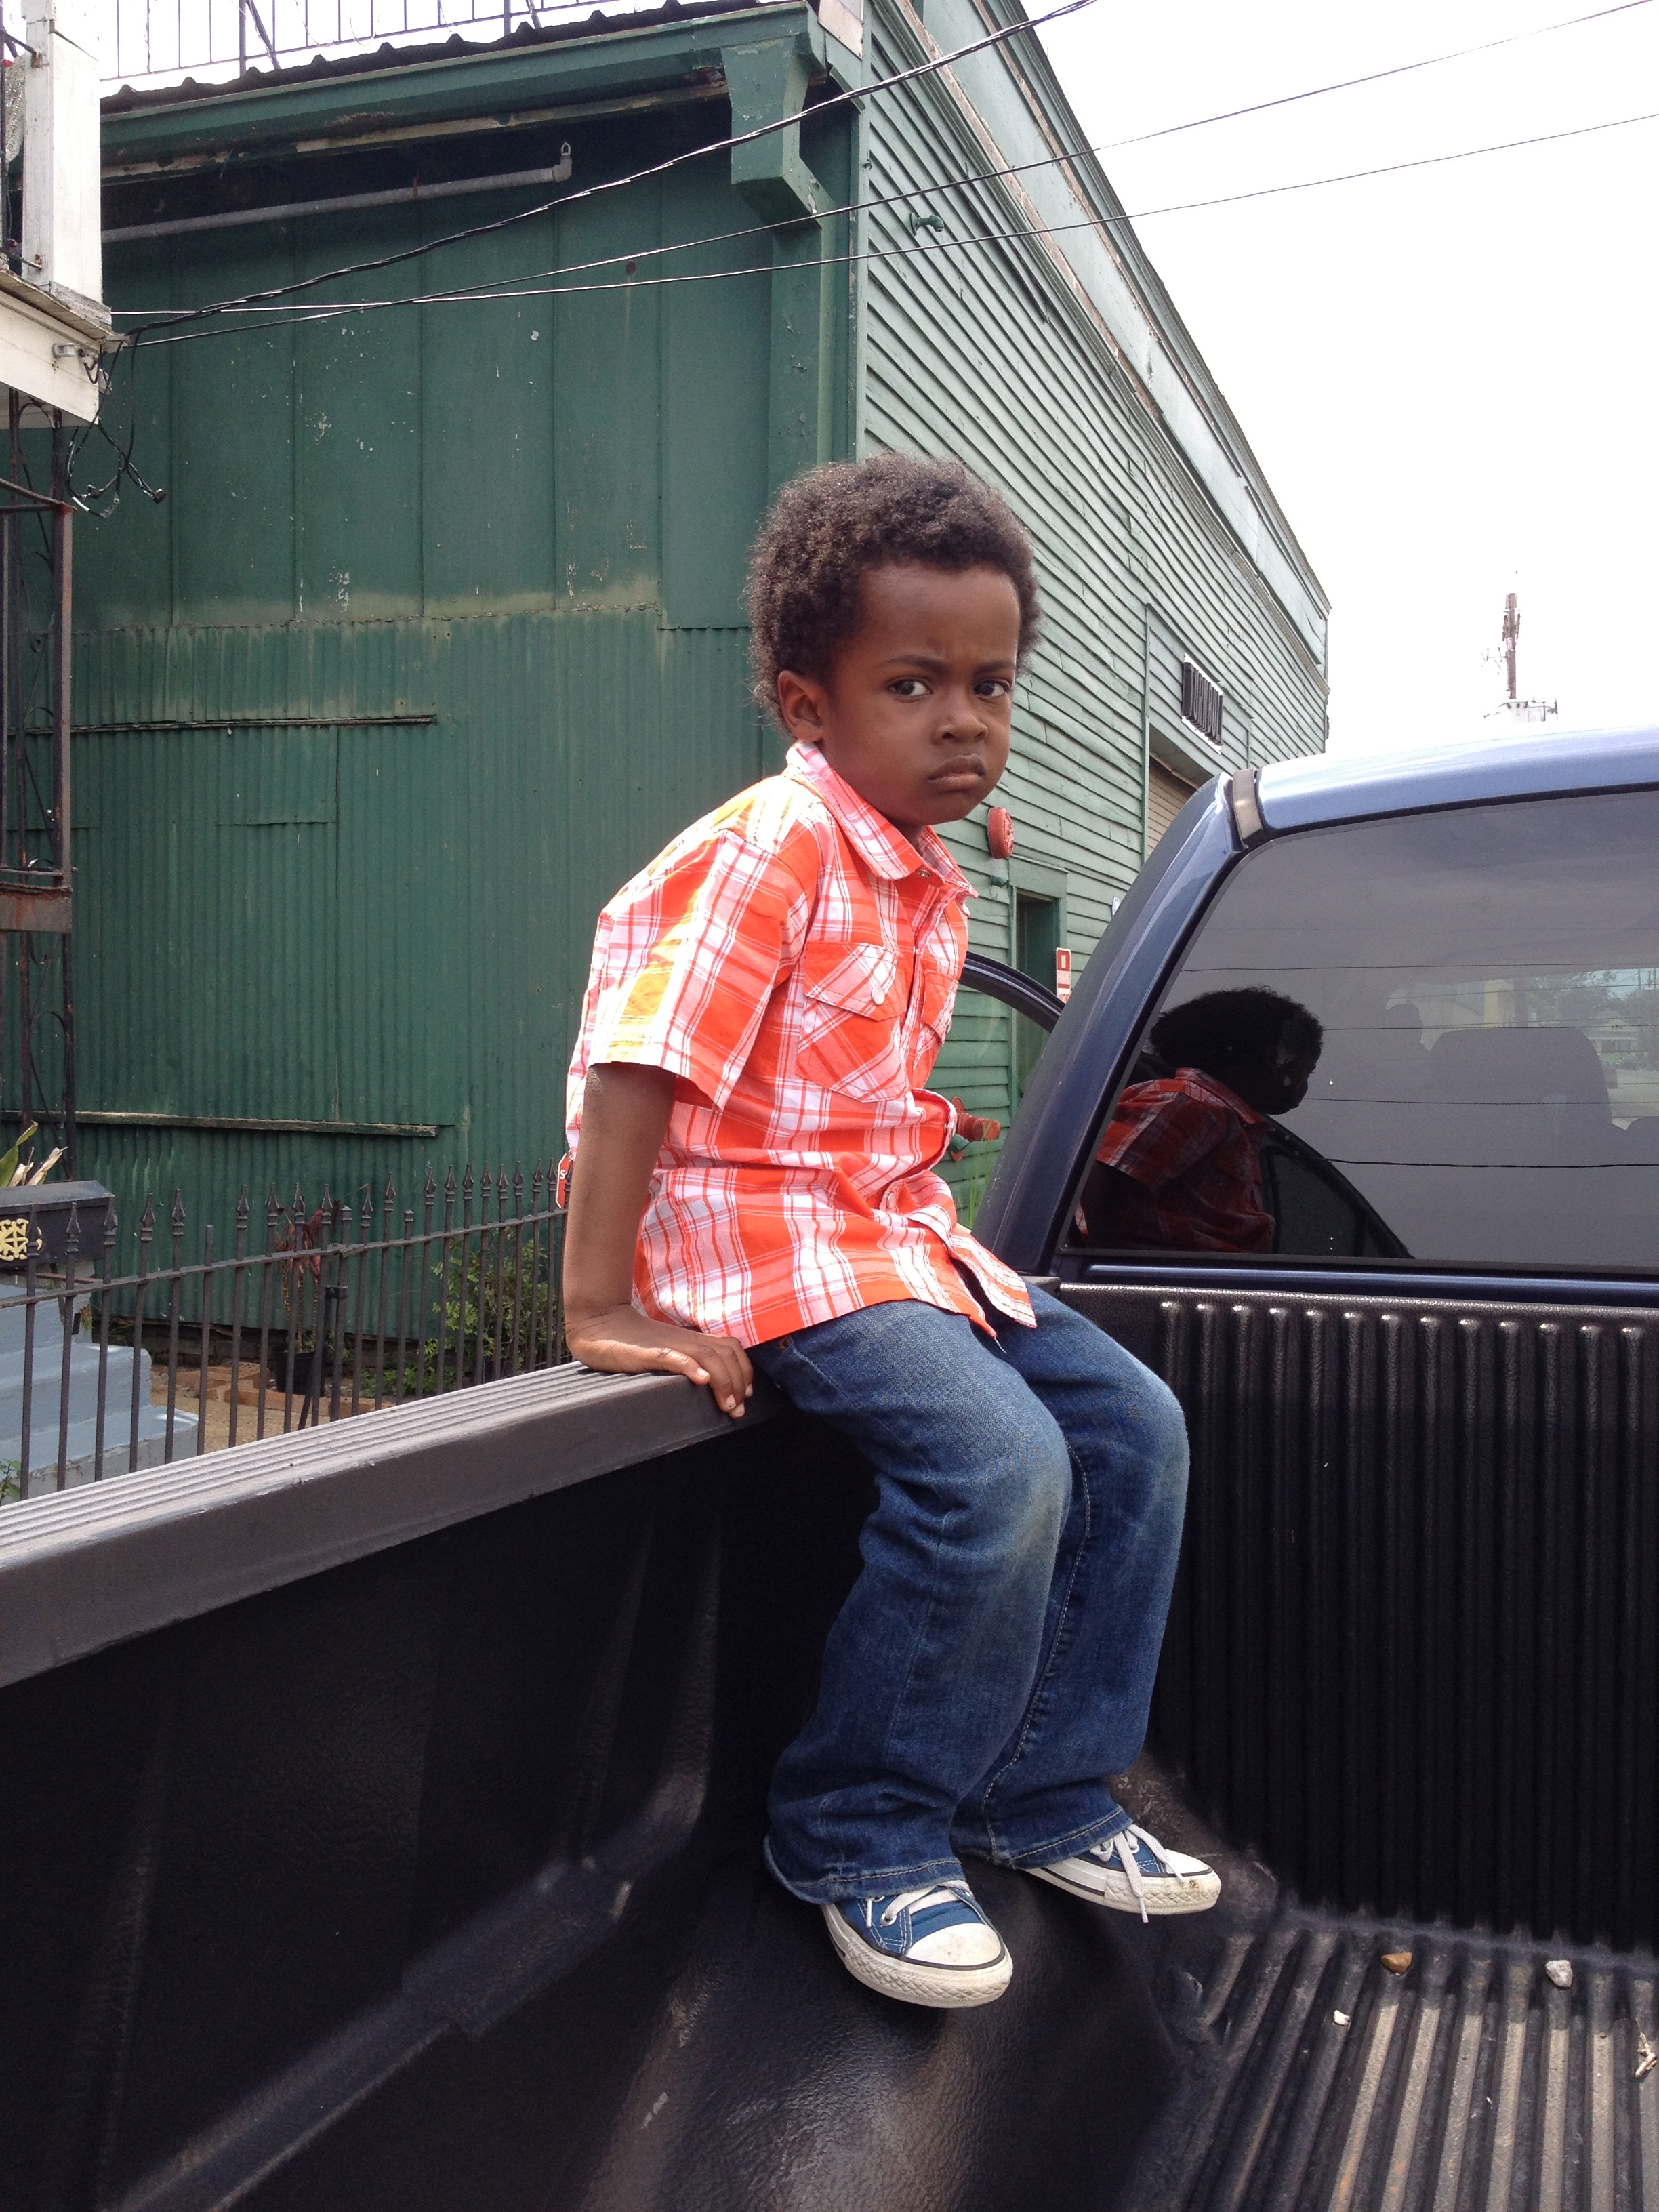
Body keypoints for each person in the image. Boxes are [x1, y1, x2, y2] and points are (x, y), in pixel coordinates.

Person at [559, 453, 1212, 2013]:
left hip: (884, 1237)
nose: (963, 721)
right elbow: (640, 1062)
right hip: (761, 1242)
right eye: (912, 685)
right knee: (999, 1464)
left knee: (1134, 1429)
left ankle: (1040, 1789)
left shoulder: (920, 873)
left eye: (991, 684)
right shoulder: (769, 847)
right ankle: (856, 1824)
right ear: (810, 703)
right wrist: (602, 1304)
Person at [1082, 989, 1323, 1252]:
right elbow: (1099, 1177)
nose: (1304, 1084)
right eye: (1306, 1070)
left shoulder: (1226, 1121)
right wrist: (1110, 1263)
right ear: (1273, 1060)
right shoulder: (1191, 1104)